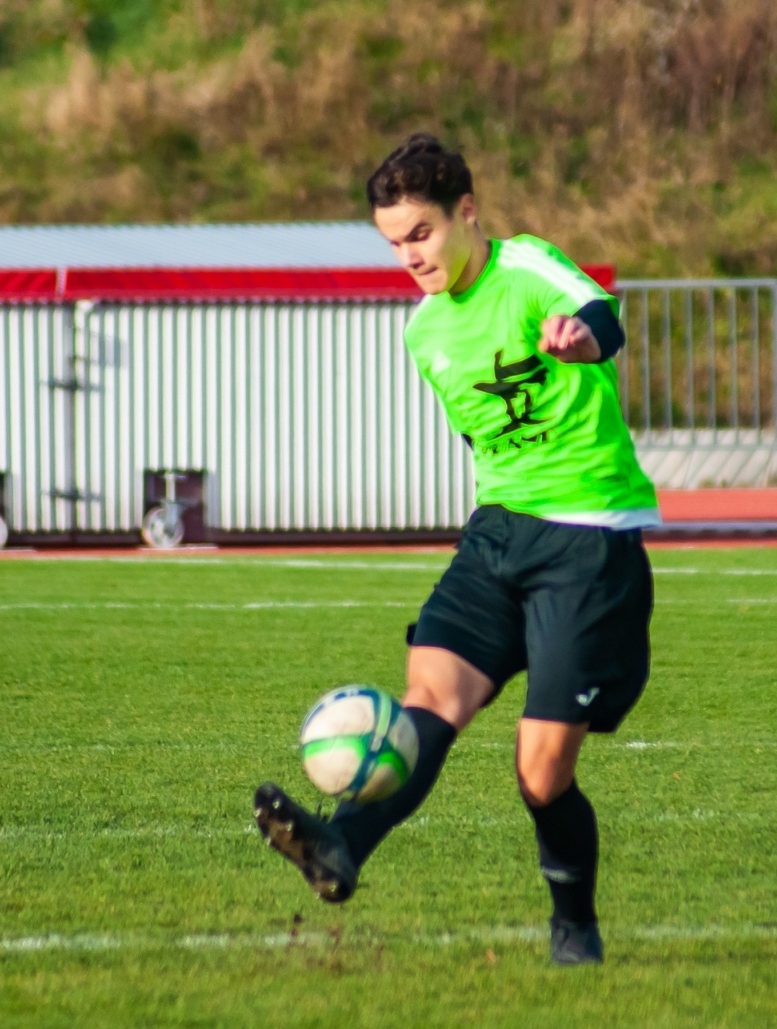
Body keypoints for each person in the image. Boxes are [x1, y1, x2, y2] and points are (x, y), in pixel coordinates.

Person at [253, 133, 658, 966]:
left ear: (466, 212)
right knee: (429, 700)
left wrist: (584, 339)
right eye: (394, 242)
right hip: (498, 533)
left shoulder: (526, 267)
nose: (409, 255)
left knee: (540, 775)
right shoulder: (424, 335)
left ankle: (573, 921)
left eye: (422, 234)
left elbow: (604, 314)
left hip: (587, 541)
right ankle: (341, 847)